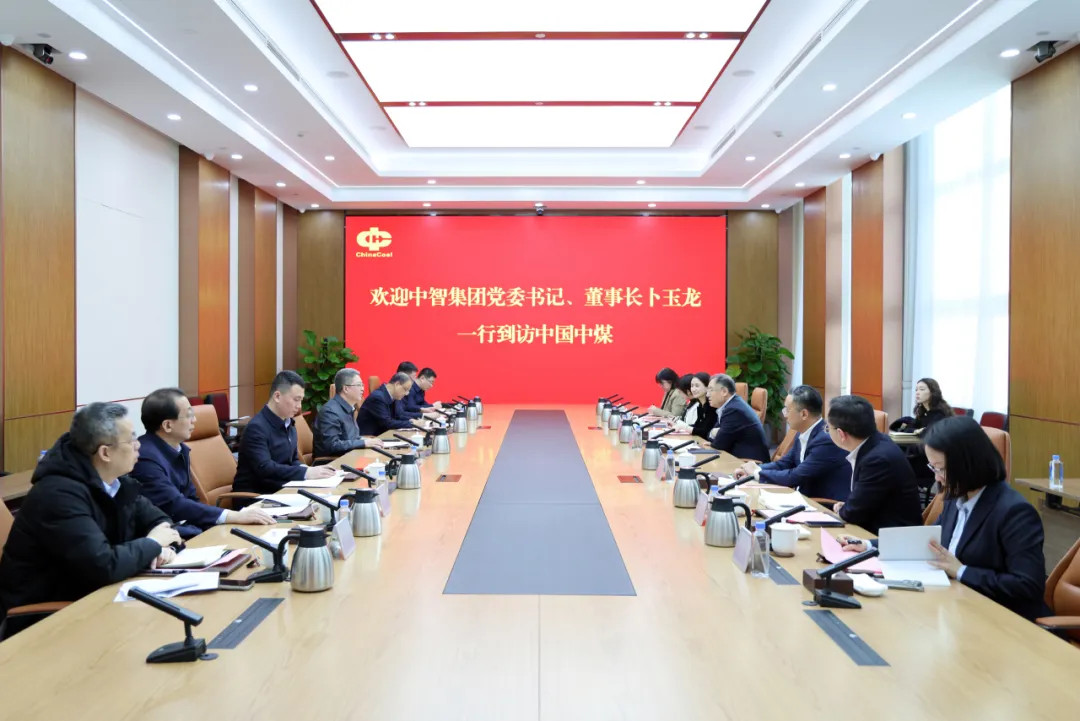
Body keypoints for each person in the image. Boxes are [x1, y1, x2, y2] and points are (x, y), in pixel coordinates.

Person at [842, 417, 1049, 622]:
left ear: (969, 464)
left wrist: (961, 571)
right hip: (958, 606)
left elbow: (1027, 586)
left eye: (941, 469)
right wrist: (868, 545)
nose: (937, 478)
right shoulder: (956, 497)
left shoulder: (1014, 512)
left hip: (1000, 619)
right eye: (933, 468)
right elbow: (928, 542)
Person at [0, 403, 181, 635]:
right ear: (105, 453)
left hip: (97, 598)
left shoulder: (116, 483)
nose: (139, 446)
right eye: (131, 440)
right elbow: (103, 565)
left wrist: (162, 547)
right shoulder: (58, 495)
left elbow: (161, 522)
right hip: (44, 620)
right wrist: (153, 544)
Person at [131, 388, 275, 536]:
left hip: (189, 528)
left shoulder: (179, 449)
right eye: (188, 415)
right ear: (167, 425)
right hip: (170, 536)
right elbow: (175, 506)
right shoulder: (145, 459)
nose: (194, 420)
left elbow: (191, 499)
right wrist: (232, 516)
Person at [734, 386, 851, 501]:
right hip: (802, 499)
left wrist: (757, 472)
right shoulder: (802, 431)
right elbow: (785, 463)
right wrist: (754, 469)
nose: (784, 415)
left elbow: (795, 476)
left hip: (821, 505)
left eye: (787, 410)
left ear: (804, 414)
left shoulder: (826, 440)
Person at [826, 395, 921, 534]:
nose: (827, 431)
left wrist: (846, 509)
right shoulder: (875, 443)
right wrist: (848, 507)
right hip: (872, 527)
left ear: (841, 434)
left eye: (828, 428)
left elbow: (852, 514)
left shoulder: (877, 460)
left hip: (888, 538)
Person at [233, 370, 336, 496]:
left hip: (283, 490)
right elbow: (265, 469)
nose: (299, 406)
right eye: (296, 400)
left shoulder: (289, 424)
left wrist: (311, 471)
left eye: (301, 400)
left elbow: (293, 461)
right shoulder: (256, 428)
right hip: (257, 497)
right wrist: (306, 473)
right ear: (277, 396)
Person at [312, 369, 384, 459]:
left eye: (362, 385)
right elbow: (331, 445)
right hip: (333, 462)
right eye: (359, 385)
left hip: (350, 457)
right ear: (346, 389)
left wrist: (367, 440)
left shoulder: (348, 408)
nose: (362, 389)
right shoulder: (330, 412)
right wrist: (364, 443)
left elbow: (351, 438)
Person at [705, 374, 770, 462]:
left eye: (711, 390)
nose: (707, 395)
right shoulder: (730, 405)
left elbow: (719, 444)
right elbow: (711, 437)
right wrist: (715, 434)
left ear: (724, 391)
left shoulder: (733, 410)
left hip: (749, 463)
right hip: (736, 457)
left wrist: (715, 434)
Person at [356, 372, 431, 436]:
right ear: (397, 384)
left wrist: (412, 420)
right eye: (405, 389)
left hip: (383, 434)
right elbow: (387, 423)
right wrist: (412, 424)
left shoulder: (394, 395)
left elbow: (399, 415)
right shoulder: (378, 397)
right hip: (371, 437)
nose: (407, 393)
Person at [675, 372, 717, 438]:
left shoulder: (711, 405)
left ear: (707, 387)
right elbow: (698, 426)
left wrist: (685, 427)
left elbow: (705, 431)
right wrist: (680, 426)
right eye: (692, 386)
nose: (693, 389)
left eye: (697, 386)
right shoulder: (700, 405)